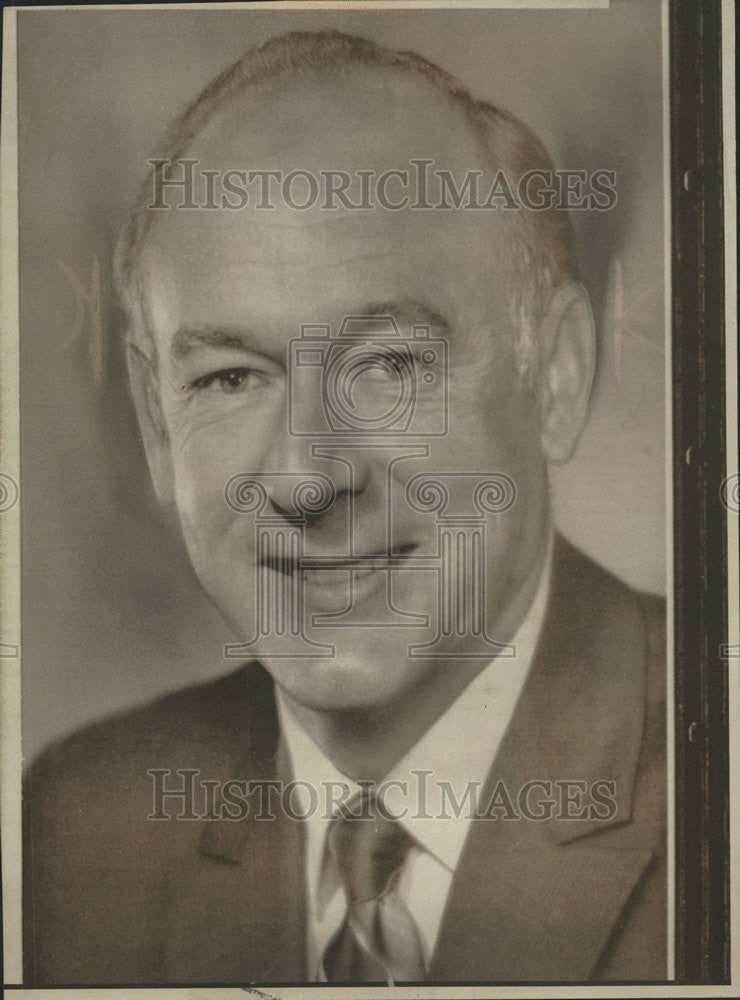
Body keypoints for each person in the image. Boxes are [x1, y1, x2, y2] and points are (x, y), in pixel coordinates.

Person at [23, 30, 666, 985]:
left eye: (391, 366)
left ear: (558, 377)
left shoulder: (716, 775)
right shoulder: (79, 826)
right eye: (232, 377)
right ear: (158, 426)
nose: (308, 479)